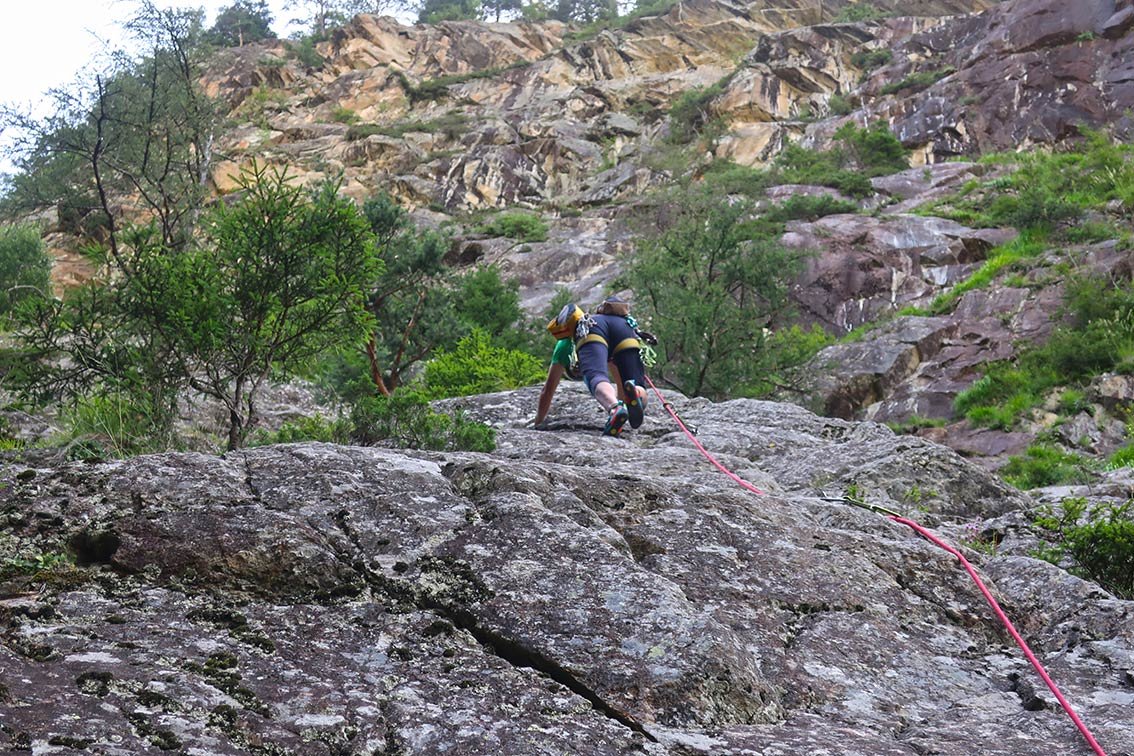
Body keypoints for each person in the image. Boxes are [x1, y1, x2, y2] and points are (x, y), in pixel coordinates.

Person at [534, 296, 648, 436]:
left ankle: (614, 409)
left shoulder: (564, 344)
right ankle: (638, 393)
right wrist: (625, 401)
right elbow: (620, 381)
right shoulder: (617, 321)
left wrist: (538, 422)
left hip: (593, 330)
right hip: (626, 329)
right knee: (635, 381)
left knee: (596, 376)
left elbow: (548, 390)